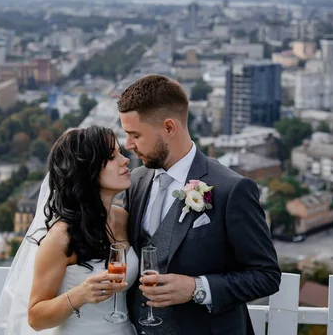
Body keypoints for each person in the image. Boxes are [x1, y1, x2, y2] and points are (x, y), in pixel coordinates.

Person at [118, 75, 281, 335]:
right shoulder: (135, 182)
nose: (127, 144)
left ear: (169, 128)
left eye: (135, 134)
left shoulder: (232, 189)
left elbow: (266, 275)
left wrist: (197, 288)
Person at [0, 125, 138, 335]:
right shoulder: (61, 237)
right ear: (87, 168)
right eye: (112, 156)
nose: (125, 160)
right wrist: (80, 294)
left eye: (121, 153)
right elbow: (35, 317)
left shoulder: (123, 218)